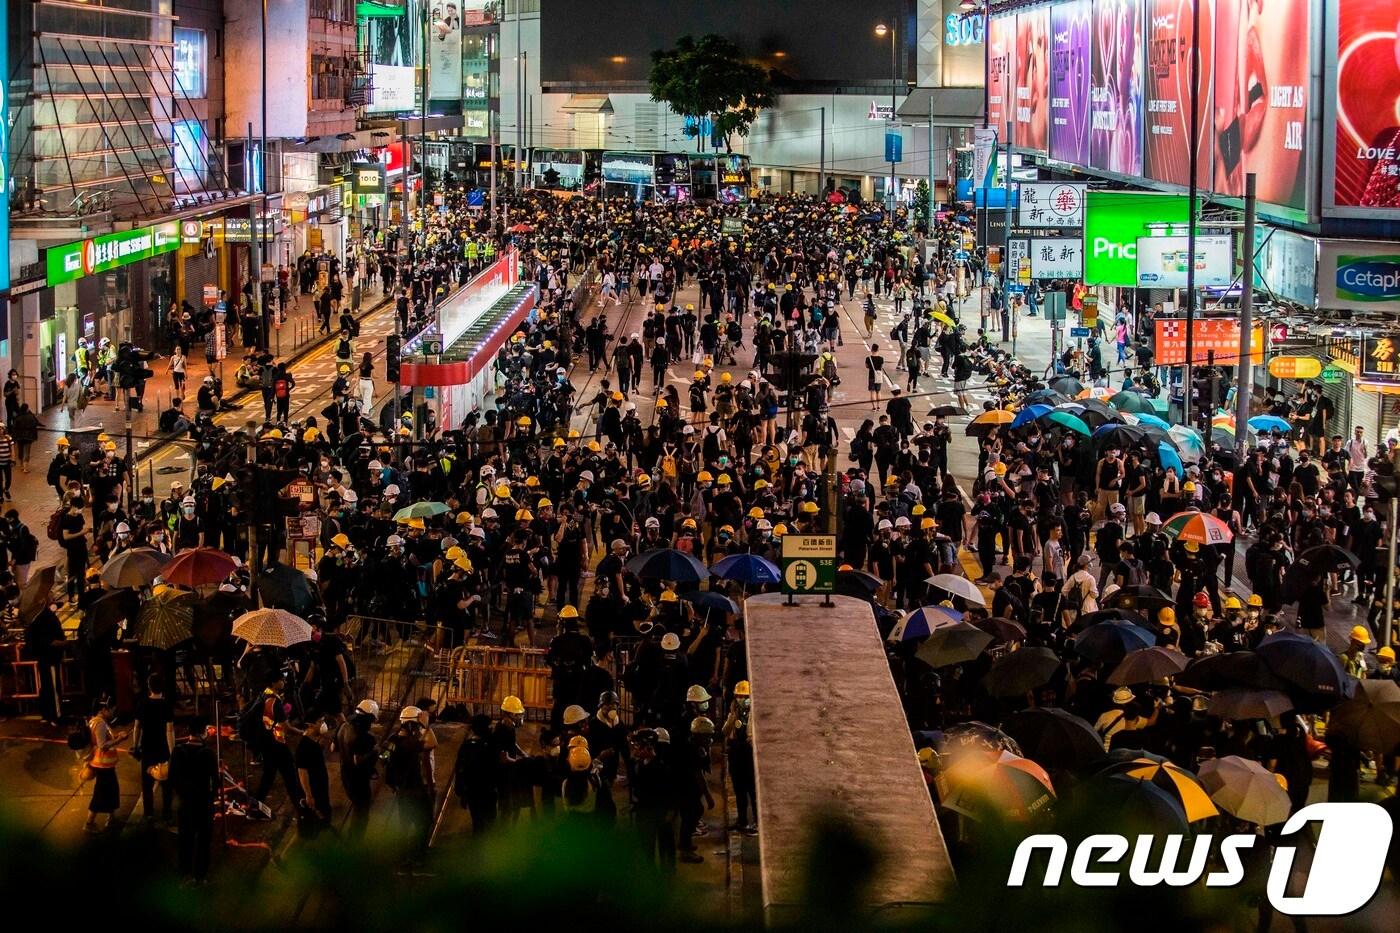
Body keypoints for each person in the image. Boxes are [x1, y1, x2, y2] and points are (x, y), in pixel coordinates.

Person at [168, 715, 218, 882]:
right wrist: (212, 798)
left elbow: (172, 778)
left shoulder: (177, 751)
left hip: (185, 803)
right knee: (203, 842)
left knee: (185, 840)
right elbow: (215, 781)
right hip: (203, 803)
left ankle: (185, 873)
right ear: (203, 732)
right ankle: (200, 876)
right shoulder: (208, 754)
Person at [133, 674, 175, 823]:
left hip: (147, 746)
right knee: (166, 783)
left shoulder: (142, 703)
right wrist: (172, 751)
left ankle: (149, 812)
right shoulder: (166, 705)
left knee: (147, 783)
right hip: (162, 746)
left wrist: (135, 744)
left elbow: (137, 727)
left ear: (149, 686)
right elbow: (169, 730)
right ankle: (167, 813)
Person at [84, 696, 129, 832]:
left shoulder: (94, 721)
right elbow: (102, 745)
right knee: (101, 793)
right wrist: (119, 739)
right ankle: (89, 822)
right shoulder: (100, 723)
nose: (112, 712)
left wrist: (116, 736)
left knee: (111, 790)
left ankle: (111, 818)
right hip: (102, 764)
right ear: (103, 710)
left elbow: (103, 738)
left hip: (104, 764)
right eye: (110, 710)